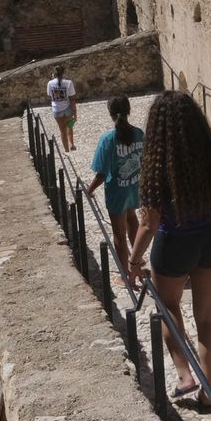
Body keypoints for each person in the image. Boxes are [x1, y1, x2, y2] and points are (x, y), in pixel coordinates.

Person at [127, 91, 211, 404]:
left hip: (174, 244)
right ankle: (209, 392)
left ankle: (184, 374)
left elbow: (149, 223)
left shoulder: (157, 167)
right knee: (208, 318)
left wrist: (134, 260)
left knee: (168, 307)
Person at [86, 96, 144, 284]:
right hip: (134, 186)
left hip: (116, 192)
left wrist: (89, 189)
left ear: (110, 113)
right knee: (132, 219)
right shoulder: (139, 134)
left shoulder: (107, 139)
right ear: (129, 111)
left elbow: (101, 173)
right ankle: (138, 261)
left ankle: (126, 275)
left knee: (119, 233)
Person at [47, 65, 77, 151]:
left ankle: (66, 149)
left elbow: (49, 96)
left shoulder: (50, 83)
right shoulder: (69, 83)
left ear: (54, 73)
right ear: (63, 72)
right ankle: (72, 144)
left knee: (62, 130)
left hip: (57, 110)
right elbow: (72, 99)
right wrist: (75, 112)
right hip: (67, 109)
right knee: (69, 126)